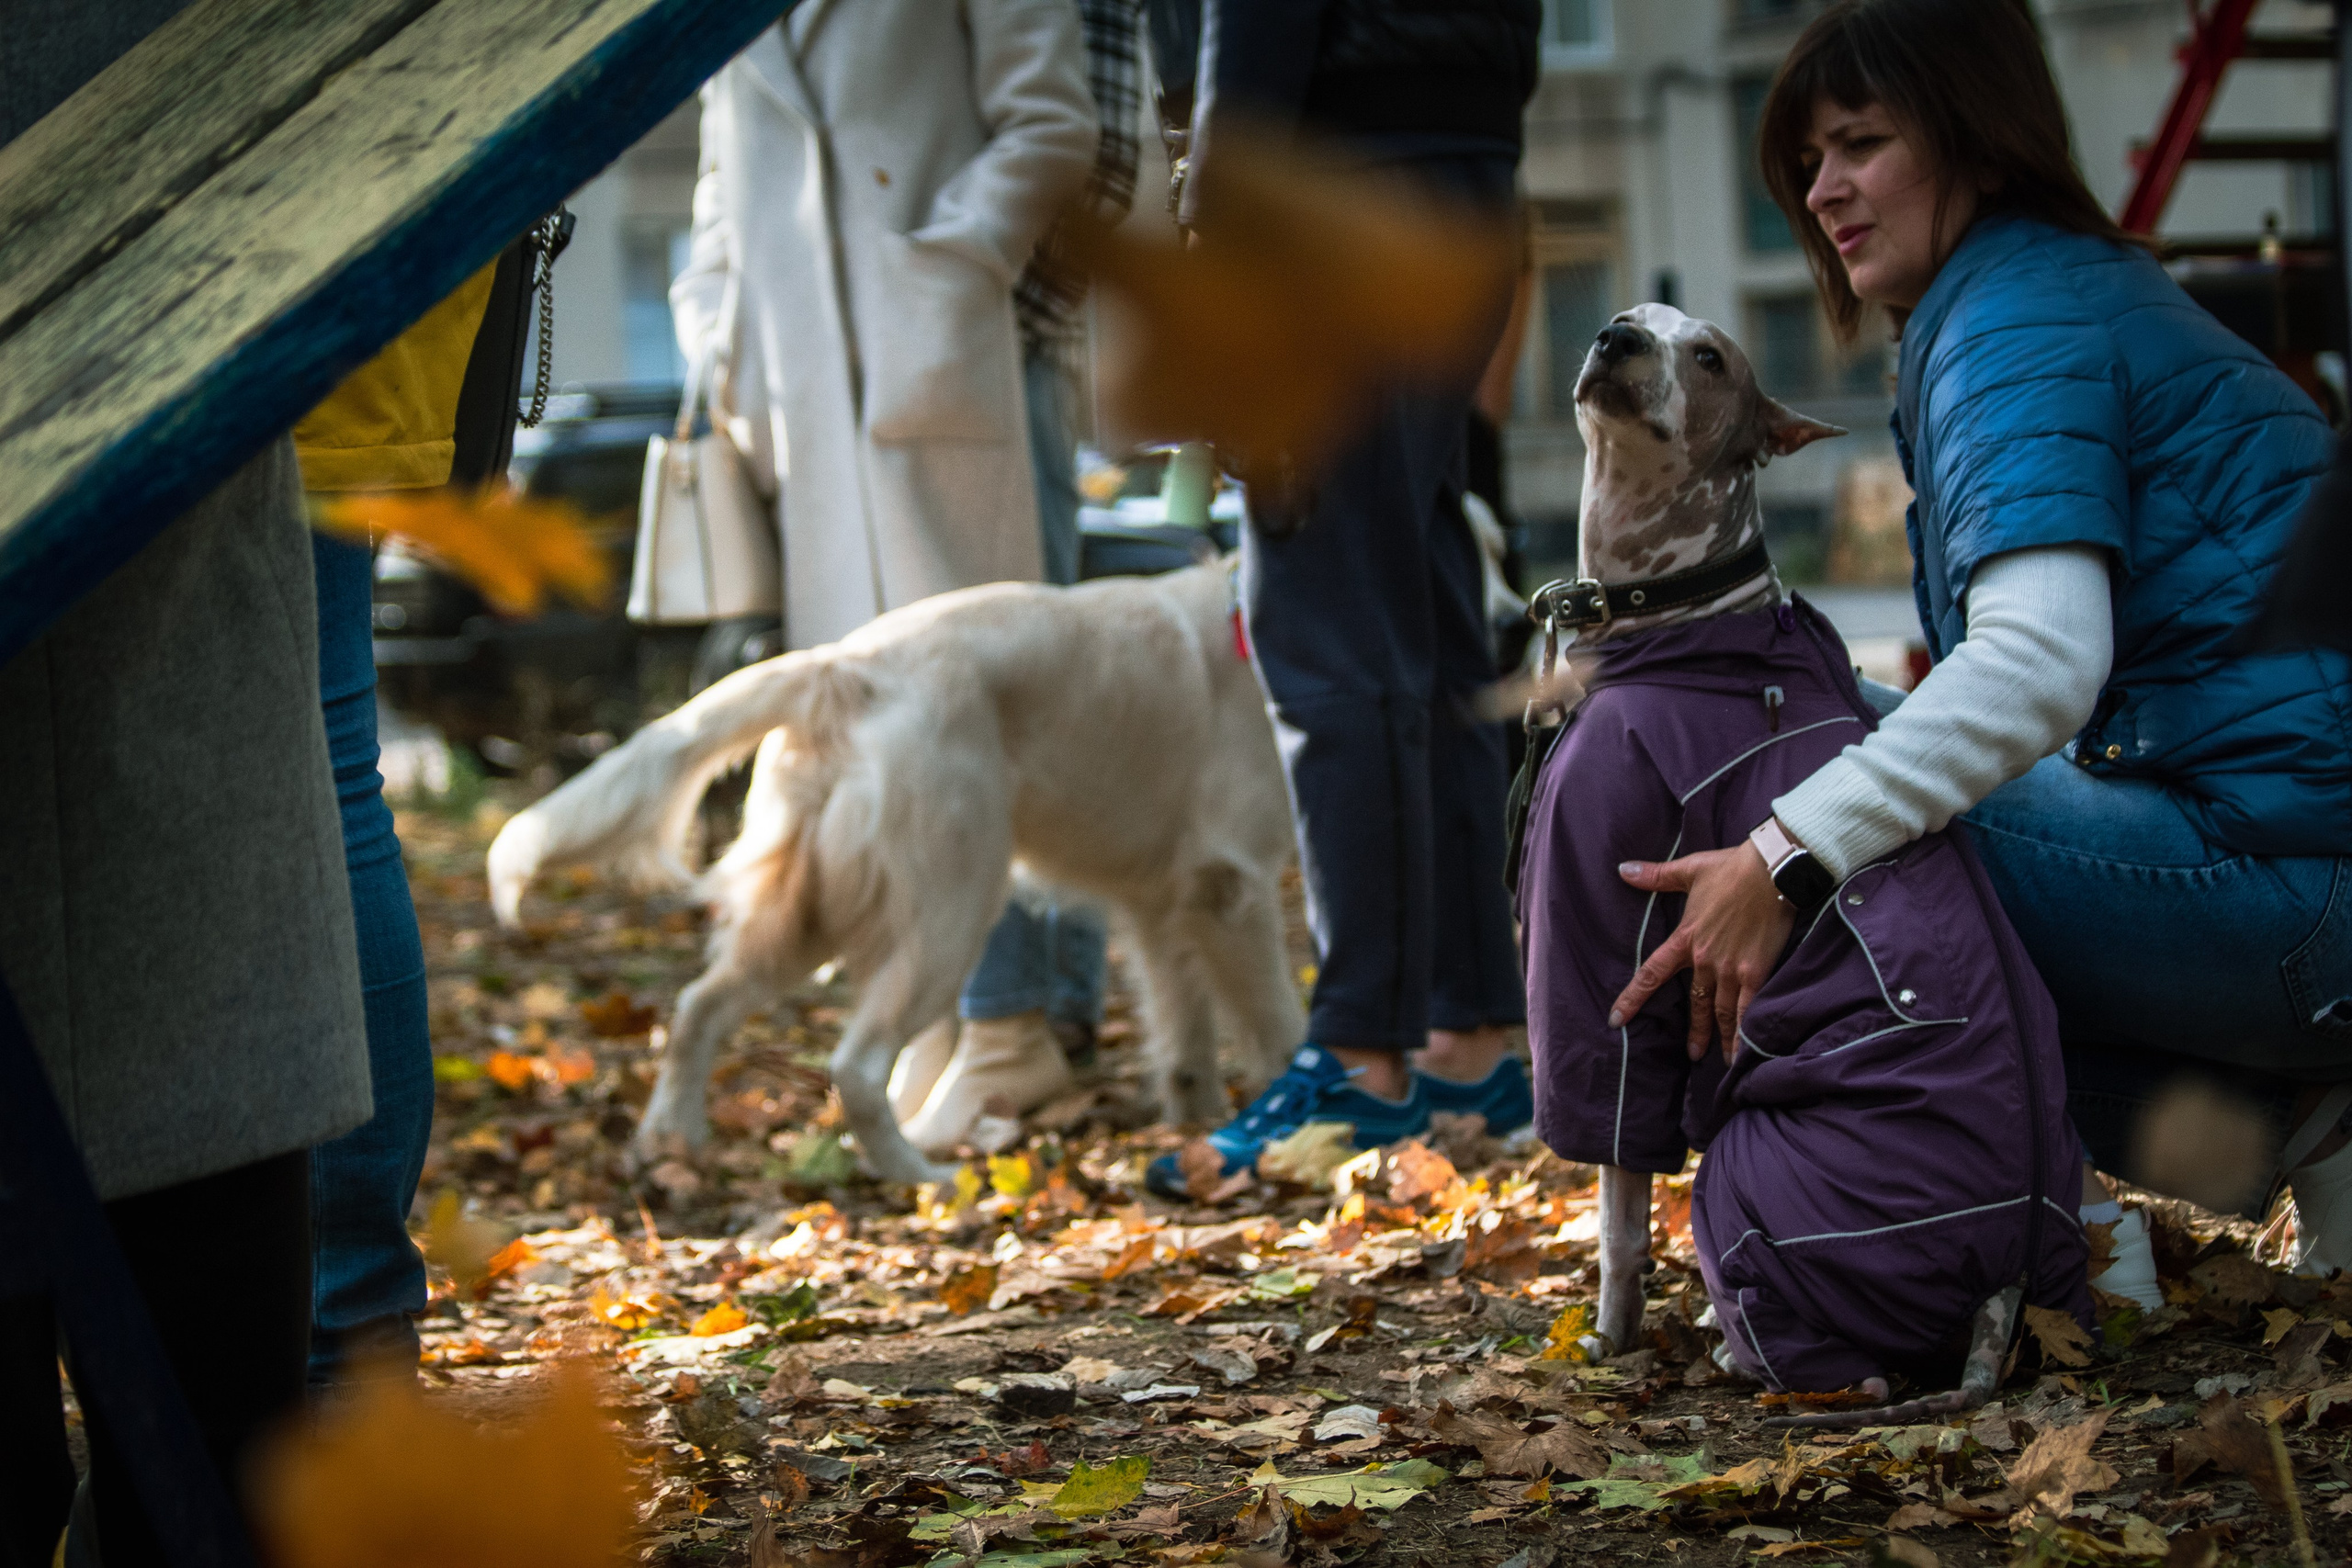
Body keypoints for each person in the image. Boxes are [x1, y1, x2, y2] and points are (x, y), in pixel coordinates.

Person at [1606, 0, 2352, 1280]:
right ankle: (2310, 1127)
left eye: (1862, 144)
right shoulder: (2046, 295)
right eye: (1807, 164)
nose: (1826, 190)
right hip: (2300, 882)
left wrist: (1784, 851)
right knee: (1860, 780)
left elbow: (2036, 662)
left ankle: (2054, 1220)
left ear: (1981, 143)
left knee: (1792, 753)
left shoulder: (2013, 320)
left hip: (2298, 898)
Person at [671, 0, 1097, 1154]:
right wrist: (718, 340)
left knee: (983, 710)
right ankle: (933, 1038)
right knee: (872, 736)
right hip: (800, 404)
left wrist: (948, 268)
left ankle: (1010, 1033)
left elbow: (1054, 123)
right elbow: (720, 197)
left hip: (944, 360)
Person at [1145, 0, 1543, 1198]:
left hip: (1324, 201)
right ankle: (1475, 1046)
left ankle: (1361, 1062)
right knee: (1426, 617)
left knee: (1328, 631)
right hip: (1463, 181)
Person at [893, 0, 1153, 1155]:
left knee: (997, 697)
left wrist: (960, 302)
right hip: (863, 355)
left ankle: (1011, 1026)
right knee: (912, 708)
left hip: (980, 348)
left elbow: (1081, 133)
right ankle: (984, 1018)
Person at [291, 266, 498, 1382]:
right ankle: (354, 1335)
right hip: (363, 325)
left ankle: (336, 1331)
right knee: (328, 766)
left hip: (189, 322)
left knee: (315, 769)